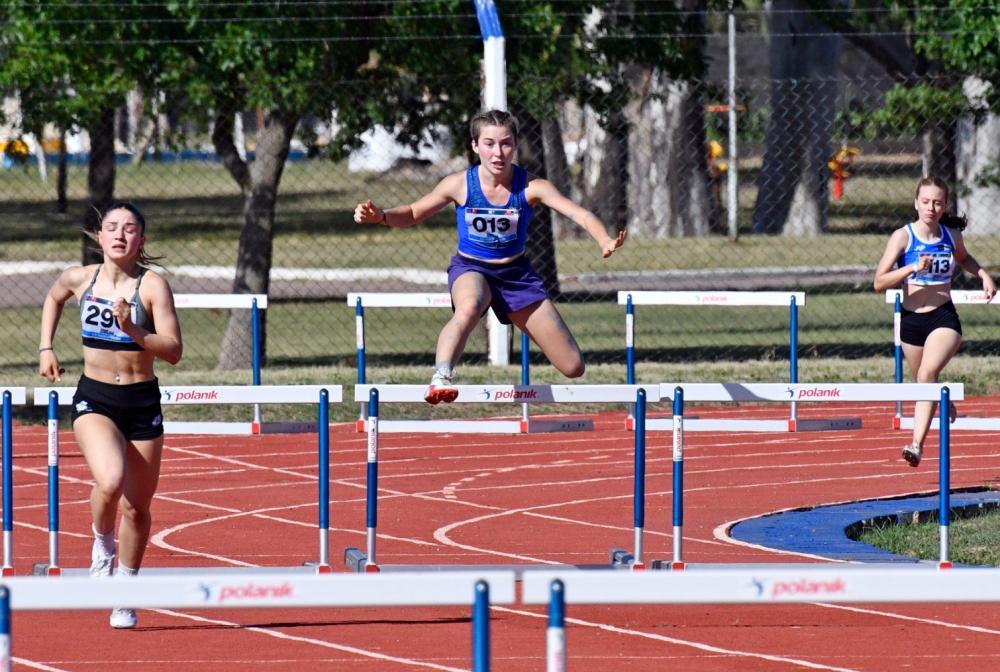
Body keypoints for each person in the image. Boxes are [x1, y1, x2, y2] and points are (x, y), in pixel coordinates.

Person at [354, 109, 626, 403]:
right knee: (470, 305)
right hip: (472, 269)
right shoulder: (459, 184)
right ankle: (441, 376)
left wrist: (604, 239)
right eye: (489, 144)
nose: (498, 153)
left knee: (573, 366)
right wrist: (381, 216)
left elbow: (580, 214)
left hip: (516, 275)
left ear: (516, 144)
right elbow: (413, 213)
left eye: (506, 143)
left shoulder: (532, 187)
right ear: (475, 146)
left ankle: (520, 329)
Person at [38, 202, 183, 628]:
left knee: (137, 508)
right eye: (112, 227)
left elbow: (174, 350)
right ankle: (102, 544)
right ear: (99, 236)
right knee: (111, 480)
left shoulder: (152, 286)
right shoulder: (80, 279)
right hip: (96, 398)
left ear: (142, 240)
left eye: (130, 229)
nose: (120, 235)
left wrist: (133, 330)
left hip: (141, 401)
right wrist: (46, 347)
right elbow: (54, 297)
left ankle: (125, 594)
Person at [873, 177, 996, 467]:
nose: (931, 207)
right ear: (916, 203)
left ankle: (915, 445)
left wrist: (983, 275)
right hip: (911, 321)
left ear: (945, 206)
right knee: (923, 382)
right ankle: (942, 400)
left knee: (927, 375)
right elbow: (879, 282)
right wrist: (911, 268)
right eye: (926, 201)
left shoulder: (951, 236)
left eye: (937, 203)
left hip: (943, 316)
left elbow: (964, 259)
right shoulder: (902, 237)